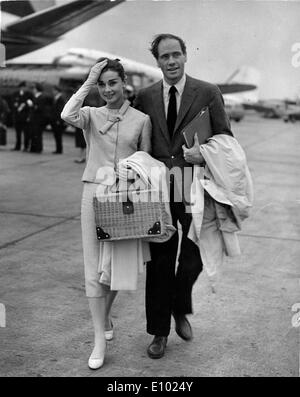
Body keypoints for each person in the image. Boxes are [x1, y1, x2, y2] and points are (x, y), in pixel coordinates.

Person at [134, 33, 233, 359]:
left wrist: (201, 154)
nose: (172, 61)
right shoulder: (145, 96)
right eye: (165, 57)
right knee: (160, 263)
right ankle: (160, 333)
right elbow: (135, 141)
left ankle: (179, 306)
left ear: (186, 55)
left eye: (176, 54)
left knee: (194, 256)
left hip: (195, 188)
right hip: (159, 191)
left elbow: (226, 142)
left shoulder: (207, 92)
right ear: (157, 61)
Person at [61, 58, 152, 370]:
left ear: (123, 82)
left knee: (120, 271)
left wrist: (135, 183)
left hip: (127, 198)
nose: (107, 89)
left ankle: (106, 315)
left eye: (112, 82)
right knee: (92, 269)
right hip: (93, 195)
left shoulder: (141, 120)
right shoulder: (89, 114)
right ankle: (99, 337)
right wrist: (88, 81)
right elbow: (66, 113)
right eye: (102, 84)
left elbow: (146, 162)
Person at [30, 83, 52, 153]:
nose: (33, 90)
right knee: (34, 133)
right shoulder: (36, 97)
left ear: (37, 89)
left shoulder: (41, 97)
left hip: (39, 118)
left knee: (38, 134)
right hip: (35, 118)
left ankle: (38, 148)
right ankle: (33, 148)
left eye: (34, 89)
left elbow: (40, 108)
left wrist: (32, 105)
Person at [11, 82, 33, 151]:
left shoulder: (29, 94)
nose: (25, 88)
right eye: (24, 87)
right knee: (18, 133)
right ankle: (17, 146)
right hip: (17, 117)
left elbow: (31, 105)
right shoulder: (15, 94)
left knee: (26, 133)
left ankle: (26, 147)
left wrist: (25, 106)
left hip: (25, 117)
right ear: (21, 87)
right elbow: (12, 103)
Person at [51, 86, 65, 154]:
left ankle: (59, 149)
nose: (53, 92)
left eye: (54, 90)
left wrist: (58, 120)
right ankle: (58, 149)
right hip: (55, 120)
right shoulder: (56, 98)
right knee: (56, 135)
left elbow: (60, 110)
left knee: (58, 135)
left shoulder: (60, 99)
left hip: (58, 121)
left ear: (57, 91)